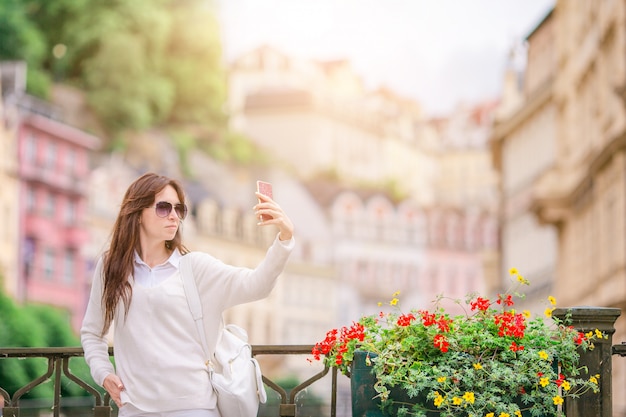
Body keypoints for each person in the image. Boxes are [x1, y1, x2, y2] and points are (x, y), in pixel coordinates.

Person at [81, 172, 294, 417]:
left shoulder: (196, 268)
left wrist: (284, 238)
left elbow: (257, 285)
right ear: (138, 213)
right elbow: (92, 332)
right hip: (133, 408)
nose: (173, 216)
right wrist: (103, 373)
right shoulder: (111, 267)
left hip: (193, 408)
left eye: (179, 209)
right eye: (163, 208)